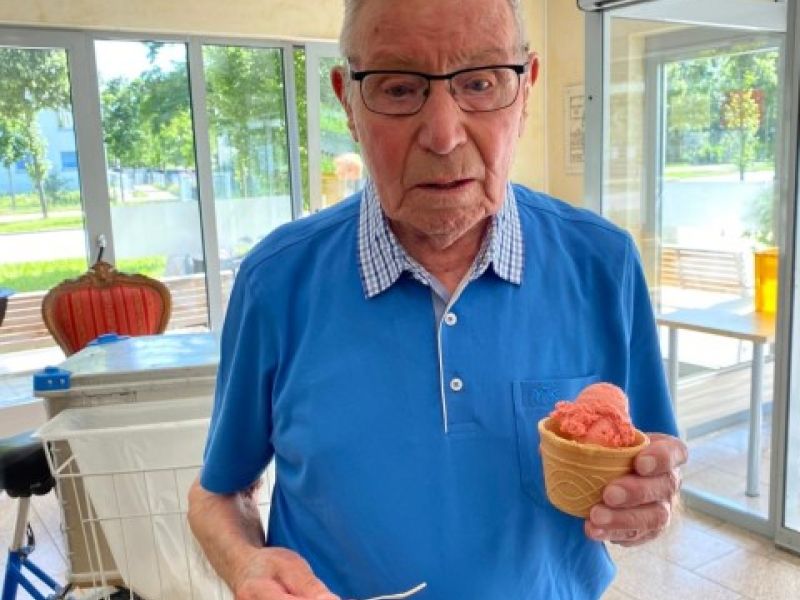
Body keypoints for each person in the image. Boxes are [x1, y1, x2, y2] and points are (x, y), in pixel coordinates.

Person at [188, 0, 688, 598]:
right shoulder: (276, 281)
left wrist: (650, 505)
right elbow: (218, 494)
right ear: (348, 102)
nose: (444, 135)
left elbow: (653, 474)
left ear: (525, 90)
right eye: (399, 89)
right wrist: (246, 563)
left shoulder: (603, 264)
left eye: (480, 83)